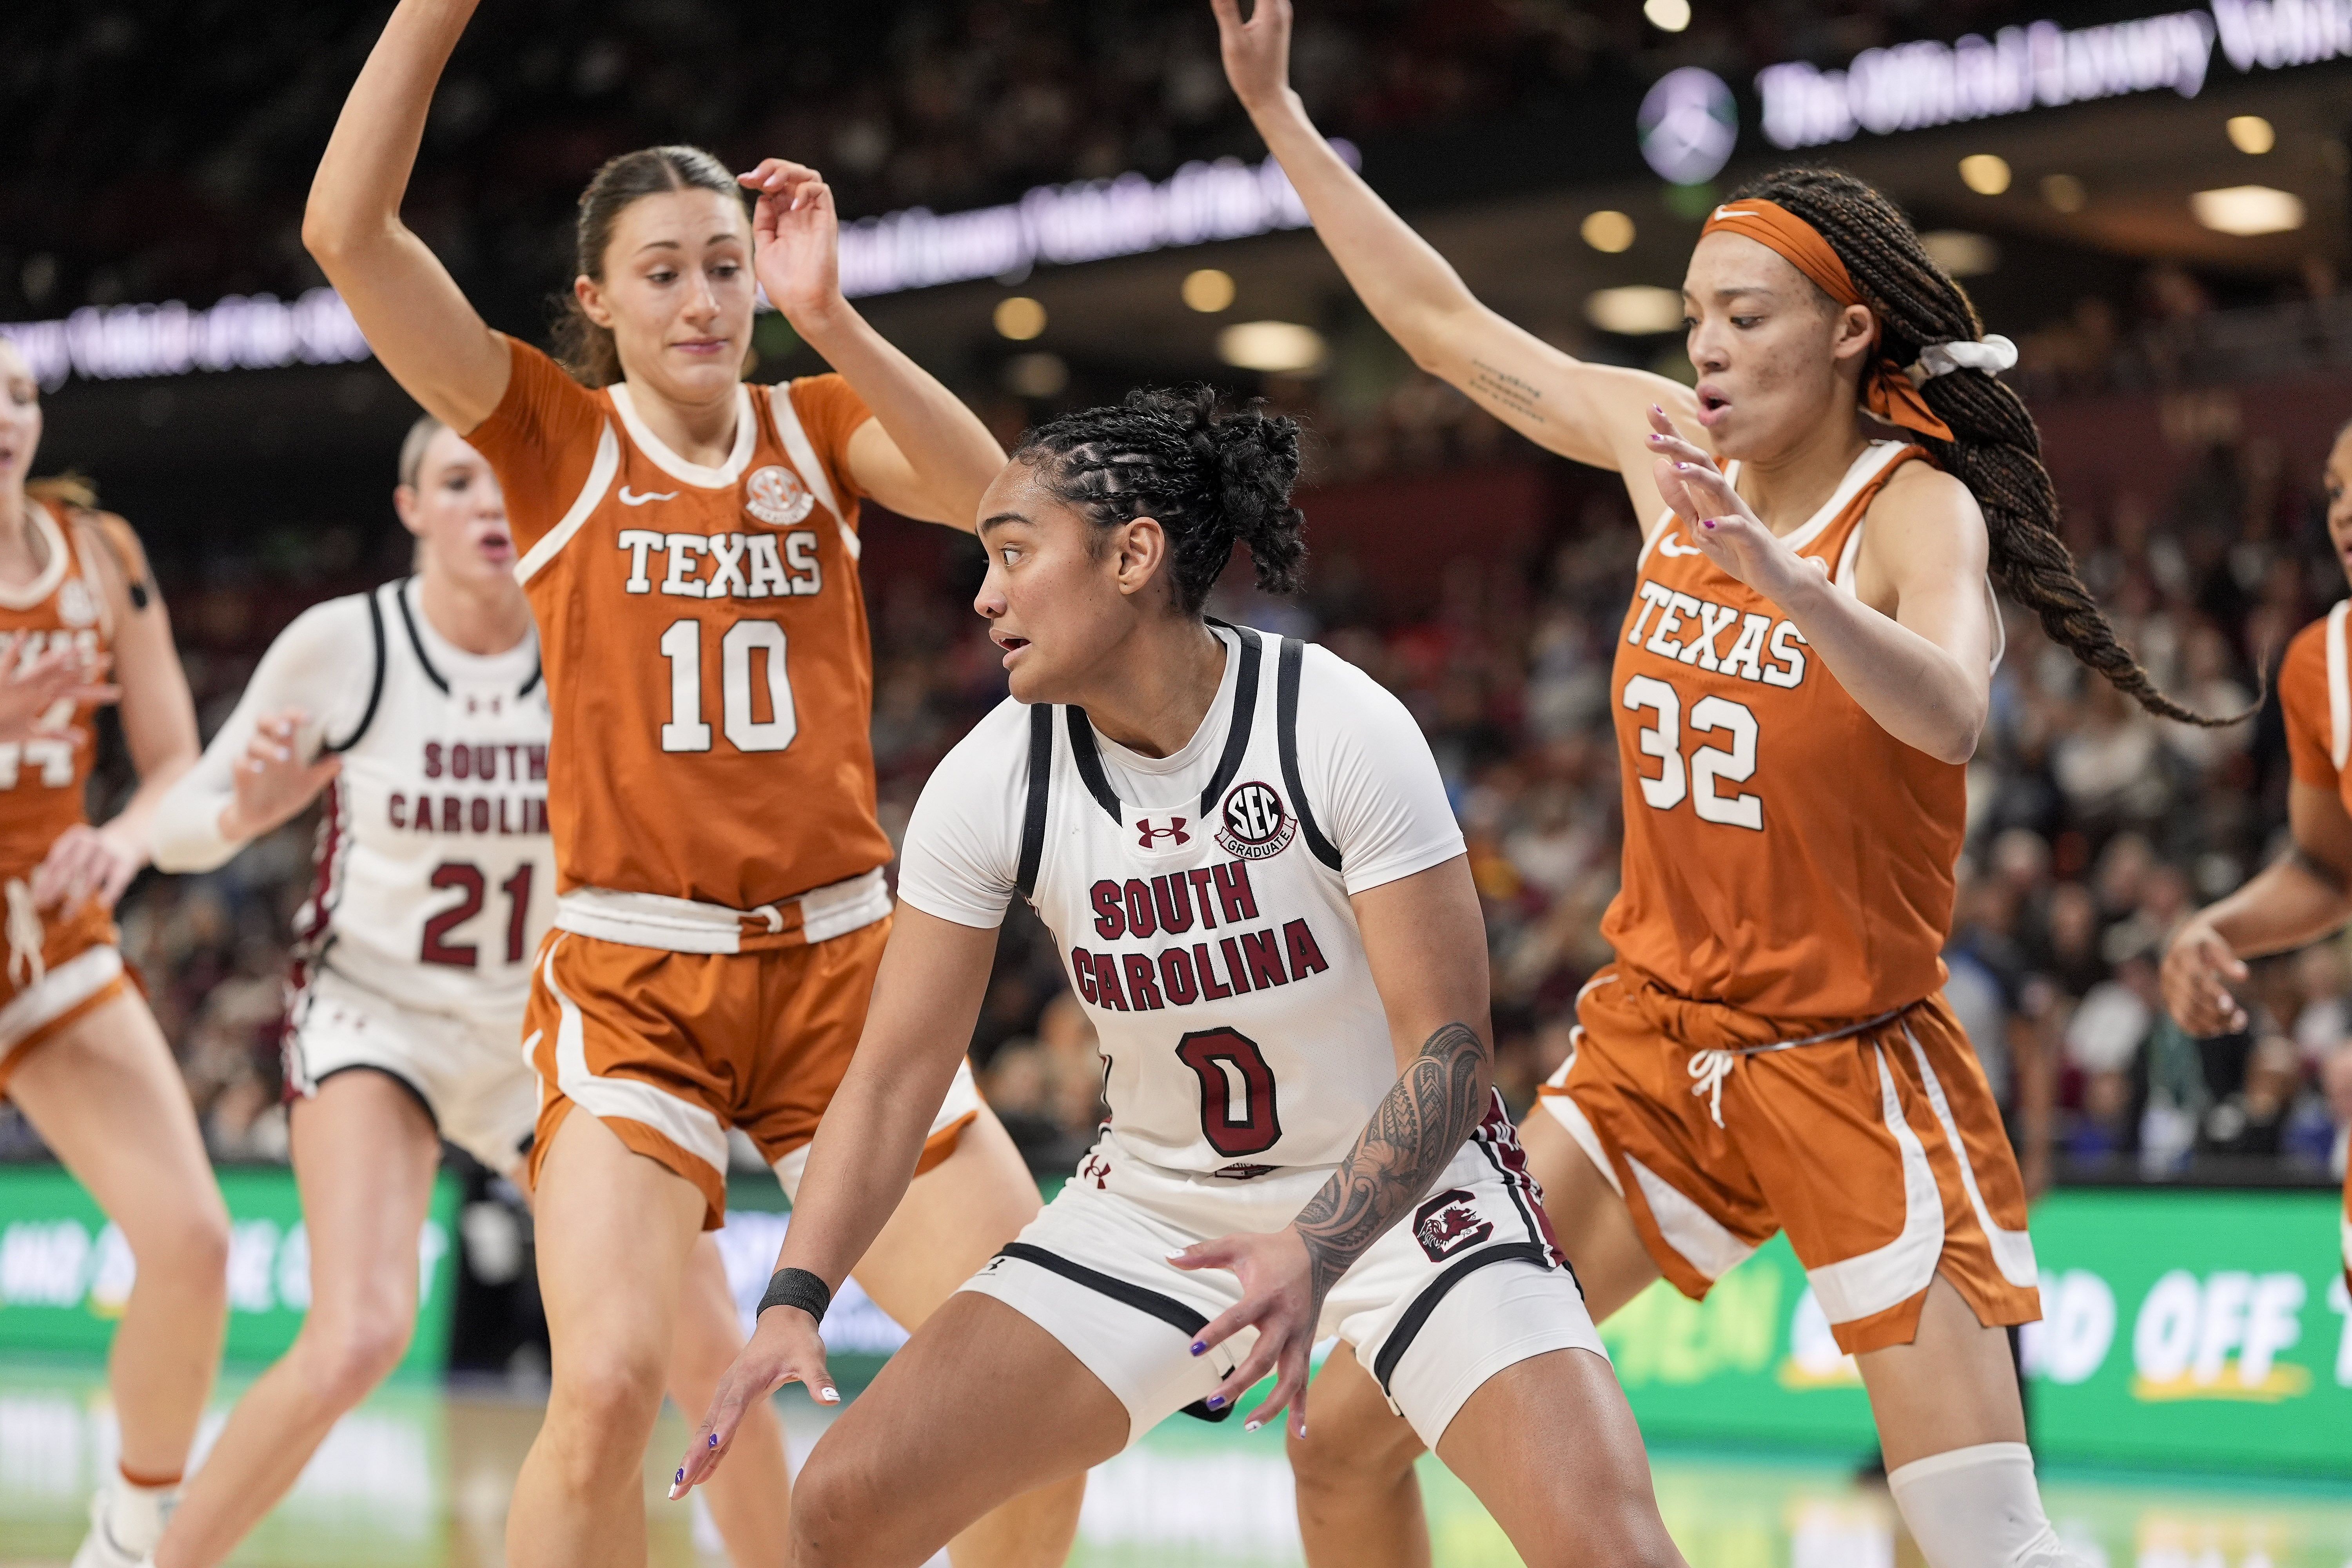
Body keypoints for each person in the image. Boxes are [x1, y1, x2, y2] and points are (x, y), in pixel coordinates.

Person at [1209, 4, 2240, 1566]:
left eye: (1746, 317)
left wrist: (1787, 582)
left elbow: (1955, 709)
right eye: (1695, 314)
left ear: (1844, 336)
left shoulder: (1915, 511)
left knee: (1986, 1536)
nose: (1704, 347)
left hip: (1849, 1059)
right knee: (1351, 1416)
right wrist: (1280, 114)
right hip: (1652, 1052)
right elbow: (1443, 325)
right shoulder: (1661, 447)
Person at [303, 4, 1082, 1563]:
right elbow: (347, 230)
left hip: (842, 971)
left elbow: (996, 498)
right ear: (598, 299)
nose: (705, 298)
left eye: (727, 265)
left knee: (1044, 1367)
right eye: (664, 271)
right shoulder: (550, 434)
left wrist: (841, 318)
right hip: (635, 980)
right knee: (600, 1387)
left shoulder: (817, 422)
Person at [672, 389, 1687, 1568]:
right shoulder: (991, 774)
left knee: (1616, 1552)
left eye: (1012, 552)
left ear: (1132, 556)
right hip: (1157, 1208)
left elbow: (1454, 1059)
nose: (983, 595)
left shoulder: (1336, 723)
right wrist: (794, 1296)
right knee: (842, 1505)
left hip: (1410, 1193)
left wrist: (1314, 1248)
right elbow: (899, 1073)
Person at [140, 417, 797, 1568]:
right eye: (457, 481)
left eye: (506, 480)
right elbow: (185, 828)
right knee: (357, 1334)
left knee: (702, 1337)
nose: (490, 503)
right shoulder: (345, 644)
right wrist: (240, 812)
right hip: (376, 1014)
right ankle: (147, 1560)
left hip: (549, 1033)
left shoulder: (598, 630)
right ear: (411, 511)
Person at [0, 337, 225, 1568]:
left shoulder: (100, 552)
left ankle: (133, 1535)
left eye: (20, 394)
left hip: (43, 934)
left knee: (191, 1240)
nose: (5, 417)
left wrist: (126, 840)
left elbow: (176, 758)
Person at [2163, 416, 2352, 1293]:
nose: (2345, 512)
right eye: (2336, 491)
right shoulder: (2323, 665)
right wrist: (2218, 924)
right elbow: (2327, 869)